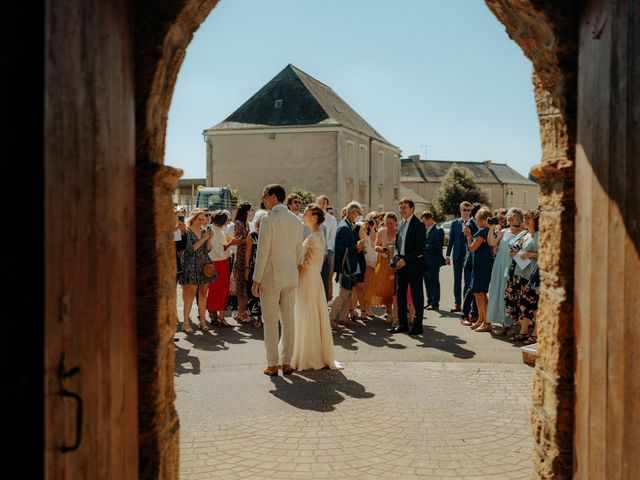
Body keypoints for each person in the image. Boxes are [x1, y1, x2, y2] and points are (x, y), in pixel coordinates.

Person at [251, 184, 303, 376]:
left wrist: (256, 280)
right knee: (289, 320)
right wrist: (294, 268)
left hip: (271, 276)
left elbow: (262, 251)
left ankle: (273, 364)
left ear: (273, 197)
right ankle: (286, 362)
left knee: (271, 321)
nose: (262, 199)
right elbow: (300, 251)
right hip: (290, 275)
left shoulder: (268, 219)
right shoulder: (296, 220)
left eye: (264, 196)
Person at [291, 204, 341, 370]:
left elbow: (305, 265)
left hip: (307, 279)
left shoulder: (313, 237)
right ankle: (314, 353)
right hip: (315, 279)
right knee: (313, 314)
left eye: (305, 214)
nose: (303, 216)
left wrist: (293, 278)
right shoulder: (319, 235)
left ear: (314, 218)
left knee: (306, 314)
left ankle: (309, 356)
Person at [388, 198, 427, 336]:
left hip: (415, 264)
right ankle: (403, 324)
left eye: (404, 207)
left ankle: (417, 325)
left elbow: (420, 249)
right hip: (402, 264)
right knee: (400, 294)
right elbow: (398, 245)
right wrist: (397, 258)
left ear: (412, 209)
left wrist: (406, 260)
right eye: (400, 207)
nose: (402, 210)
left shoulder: (419, 225)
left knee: (416, 295)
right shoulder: (401, 224)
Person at [505, 208, 540, 343]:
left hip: (532, 276)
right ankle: (524, 332)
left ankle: (536, 334)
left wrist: (530, 254)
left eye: (527, 218)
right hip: (520, 273)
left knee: (534, 306)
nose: (524, 220)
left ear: (536, 221)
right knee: (523, 305)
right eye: (524, 218)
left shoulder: (540, 235)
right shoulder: (525, 234)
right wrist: (514, 254)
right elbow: (518, 249)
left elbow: (546, 254)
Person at [487, 208, 524, 336]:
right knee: (499, 293)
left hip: (513, 266)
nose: (509, 220)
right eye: (509, 218)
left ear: (518, 218)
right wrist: (491, 228)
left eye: (512, 217)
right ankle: (503, 324)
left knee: (511, 295)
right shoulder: (503, 232)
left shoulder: (524, 234)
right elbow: (492, 242)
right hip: (499, 266)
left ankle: (511, 325)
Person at [330, 201, 366, 329]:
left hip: (349, 265)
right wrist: (356, 246)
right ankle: (332, 318)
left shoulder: (348, 224)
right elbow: (340, 249)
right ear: (352, 213)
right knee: (342, 294)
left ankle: (343, 317)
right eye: (357, 213)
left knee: (348, 293)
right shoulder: (344, 227)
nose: (358, 216)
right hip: (345, 267)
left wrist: (357, 246)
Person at [178, 208, 214, 333]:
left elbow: (208, 250)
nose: (202, 222)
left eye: (203, 220)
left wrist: (209, 239)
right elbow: (190, 250)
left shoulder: (205, 231)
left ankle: (202, 320)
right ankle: (186, 323)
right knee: (190, 295)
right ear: (193, 219)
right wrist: (204, 239)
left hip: (204, 265)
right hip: (191, 265)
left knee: (203, 294)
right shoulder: (187, 232)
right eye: (199, 219)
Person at [206, 210, 240, 327]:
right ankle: (219, 317)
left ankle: (215, 316)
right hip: (219, 263)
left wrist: (230, 242)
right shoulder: (215, 231)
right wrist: (231, 243)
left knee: (216, 290)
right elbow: (220, 251)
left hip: (217, 262)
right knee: (221, 289)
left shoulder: (214, 229)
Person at [463, 208, 494, 332]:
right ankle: (481, 319)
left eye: (477, 219)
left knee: (481, 292)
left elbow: (472, 248)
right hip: (479, 264)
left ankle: (486, 321)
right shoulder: (486, 230)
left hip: (483, 265)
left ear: (482, 219)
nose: (476, 221)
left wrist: (468, 236)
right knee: (476, 292)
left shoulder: (484, 231)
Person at [369, 212, 398, 324]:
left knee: (395, 289)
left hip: (396, 263)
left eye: (391, 223)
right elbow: (376, 246)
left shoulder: (399, 232)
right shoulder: (381, 232)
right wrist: (384, 250)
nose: (389, 225)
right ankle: (390, 312)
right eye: (387, 223)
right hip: (384, 263)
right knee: (386, 290)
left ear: (395, 222)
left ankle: (396, 312)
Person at [229, 202, 254, 324]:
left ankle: (242, 312)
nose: (252, 212)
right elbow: (236, 241)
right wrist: (248, 239)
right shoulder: (238, 223)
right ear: (246, 211)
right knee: (240, 286)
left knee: (245, 285)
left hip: (247, 256)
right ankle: (241, 313)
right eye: (251, 209)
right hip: (240, 256)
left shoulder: (248, 224)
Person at [445, 201, 472, 312]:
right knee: (457, 280)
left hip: (469, 256)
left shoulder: (473, 223)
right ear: (460, 210)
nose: (466, 212)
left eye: (468, 210)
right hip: (457, 256)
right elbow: (451, 240)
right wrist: (447, 255)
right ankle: (457, 304)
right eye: (464, 210)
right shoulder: (454, 223)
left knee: (468, 281)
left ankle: (466, 304)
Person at [460, 203, 481, 326]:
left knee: (476, 287)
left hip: (478, 259)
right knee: (470, 287)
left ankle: (474, 313)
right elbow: (469, 243)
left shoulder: (478, 224)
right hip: (471, 259)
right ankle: (464, 314)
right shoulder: (469, 224)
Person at [247, 210, 268, 328]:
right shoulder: (252, 235)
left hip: (267, 268)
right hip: (254, 268)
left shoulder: (270, 234)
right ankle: (258, 317)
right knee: (255, 293)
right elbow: (248, 253)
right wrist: (246, 268)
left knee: (266, 292)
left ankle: (266, 317)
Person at [421, 211, 444, 310]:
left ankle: (435, 303)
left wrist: (425, 246)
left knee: (434, 282)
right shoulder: (425, 230)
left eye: (424, 221)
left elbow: (438, 245)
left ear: (430, 219)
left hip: (434, 261)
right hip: (425, 261)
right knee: (427, 282)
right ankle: (429, 301)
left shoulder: (439, 230)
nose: (423, 223)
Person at [317, 195, 337, 301]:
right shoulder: (313, 216)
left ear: (327, 205)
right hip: (314, 250)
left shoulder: (331, 219)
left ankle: (324, 300)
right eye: (320, 202)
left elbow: (332, 238)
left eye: (324, 203)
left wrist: (325, 250)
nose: (322, 204)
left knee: (325, 277)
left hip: (327, 250)